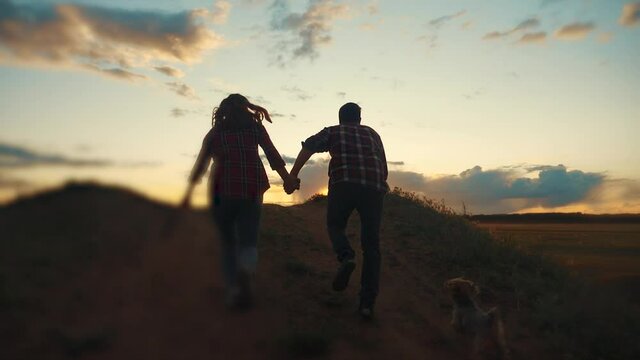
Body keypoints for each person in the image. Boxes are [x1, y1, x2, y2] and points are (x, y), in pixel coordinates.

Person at [181, 93, 299, 309]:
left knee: (228, 243)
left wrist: (188, 194)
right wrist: (288, 179)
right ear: (246, 109)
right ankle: (246, 270)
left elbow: (201, 164)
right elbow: (272, 154)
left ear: (223, 111)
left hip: (221, 190)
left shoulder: (216, 132)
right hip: (251, 189)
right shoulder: (255, 128)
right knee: (248, 239)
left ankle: (233, 291)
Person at [289, 102, 389, 319]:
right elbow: (383, 164)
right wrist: (380, 186)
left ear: (340, 117)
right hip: (373, 187)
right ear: (359, 119)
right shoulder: (372, 133)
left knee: (335, 225)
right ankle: (366, 305)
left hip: (343, 183)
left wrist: (293, 174)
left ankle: (346, 256)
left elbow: (308, 146)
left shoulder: (332, 131)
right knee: (372, 247)